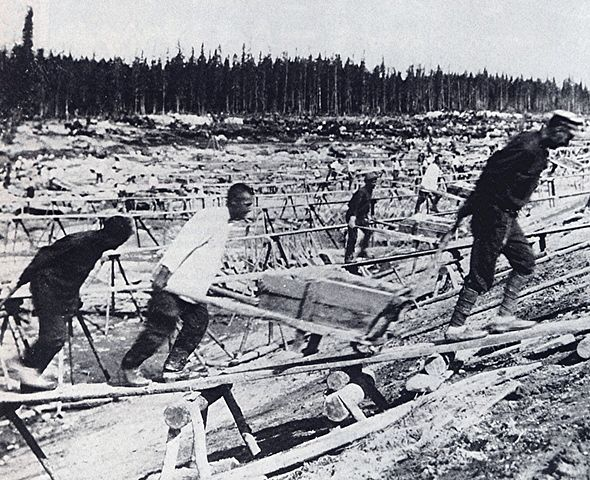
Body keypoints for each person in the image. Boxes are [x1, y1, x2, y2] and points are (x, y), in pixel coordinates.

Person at [439, 110, 584, 342]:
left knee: (524, 261)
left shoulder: (537, 147)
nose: (567, 142)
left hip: (506, 217)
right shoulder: (527, 147)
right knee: (481, 272)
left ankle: (503, 318)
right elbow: (491, 174)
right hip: (492, 215)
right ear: (558, 130)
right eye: (567, 136)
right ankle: (456, 328)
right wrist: (470, 208)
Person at [119, 183, 254, 386]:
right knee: (160, 328)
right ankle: (129, 367)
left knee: (198, 322)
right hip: (173, 285)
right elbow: (183, 243)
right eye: (247, 204)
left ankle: (173, 368)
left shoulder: (225, 222)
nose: (249, 209)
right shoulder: (211, 217)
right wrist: (164, 272)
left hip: (191, 289)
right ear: (234, 202)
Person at [8, 216, 134, 391]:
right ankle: (24, 365)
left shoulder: (97, 246)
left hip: (64, 291)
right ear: (114, 237)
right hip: (47, 286)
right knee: (55, 338)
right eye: (121, 241)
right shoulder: (81, 241)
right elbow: (44, 255)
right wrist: (19, 282)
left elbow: (74, 272)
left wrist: (74, 297)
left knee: (54, 338)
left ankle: (28, 381)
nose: (118, 246)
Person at [344, 171, 379, 270]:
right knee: (353, 237)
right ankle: (348, 257)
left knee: (368, 231)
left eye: (375, 182)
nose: (374, 184)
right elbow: (354, 206)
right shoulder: (361, 192)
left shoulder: (369, 191)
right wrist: (352, 219)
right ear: (367, 182)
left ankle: (363, 250)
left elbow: (368, 204)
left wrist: (370, 216)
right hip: (353, 216)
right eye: (372, 182)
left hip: (361, 216)